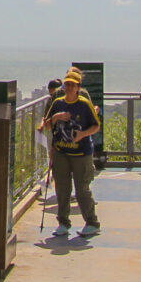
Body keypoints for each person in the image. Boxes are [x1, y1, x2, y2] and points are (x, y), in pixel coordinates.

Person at [41, 69, 101, 237]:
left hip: (81, 154)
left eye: (72, 85)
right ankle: (63, 222)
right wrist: (56, 118)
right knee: (62, 188)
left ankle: (92, 222)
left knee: (82, 188)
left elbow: (96, 125)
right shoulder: (58, 102)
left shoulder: (84, 104)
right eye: (66, 84)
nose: (68, 87)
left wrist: (82, 134)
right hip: (61, 151)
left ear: (78, 87)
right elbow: (46, 125)